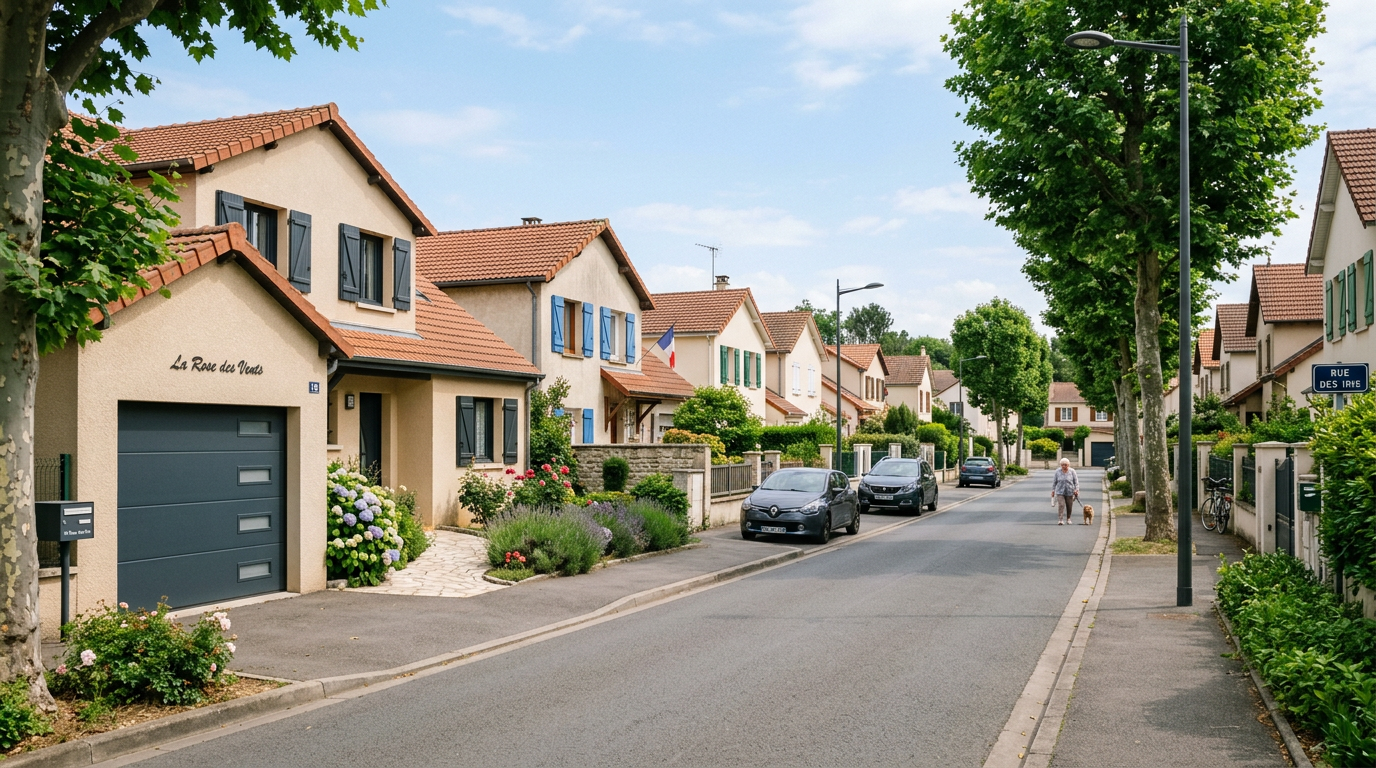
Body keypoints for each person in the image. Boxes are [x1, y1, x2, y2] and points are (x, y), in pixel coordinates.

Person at [1050, 457, 1079, 526]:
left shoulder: (1072, 471)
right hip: (1060, 491)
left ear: (1068, 465)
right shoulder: (1057, 471)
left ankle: (1068, 518)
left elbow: (1076, 482)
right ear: (1060, 465)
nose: (1064, 466)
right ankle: (1060, 520)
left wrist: (1076, 490)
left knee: (1069, 506)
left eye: (1065, 465)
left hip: (1070, 491)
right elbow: (1054, 482)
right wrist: (1053, 490)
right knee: (1061, 505)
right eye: (1062, 465)